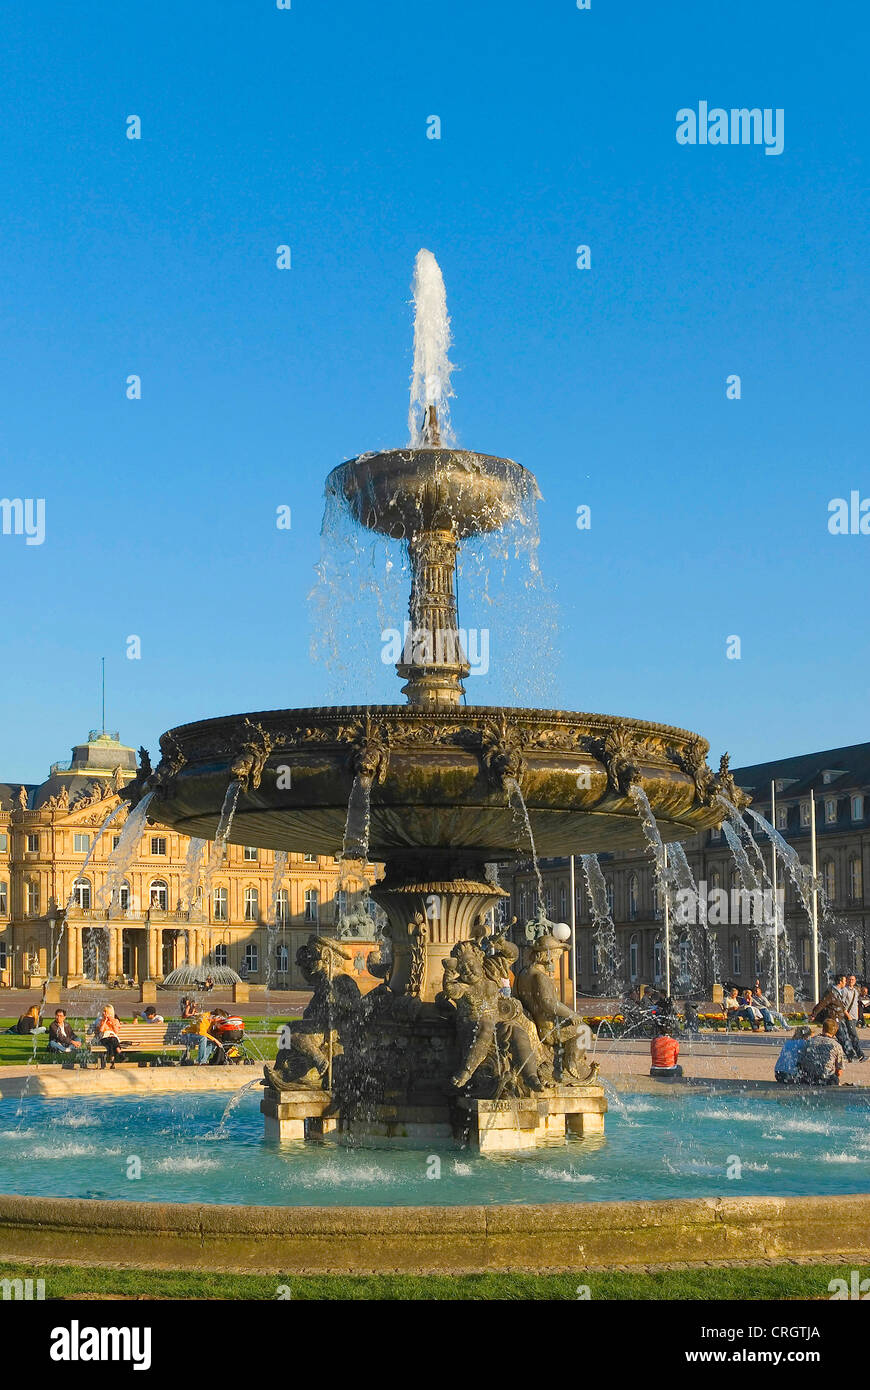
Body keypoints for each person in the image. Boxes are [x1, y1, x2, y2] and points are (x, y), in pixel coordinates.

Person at [797, 1019, 846, 1086]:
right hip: (827, 1078)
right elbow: (839, 1071)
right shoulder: (836, 1045)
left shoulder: (810, 1041)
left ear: (823, 1029)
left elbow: (800, 1061)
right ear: (835, 1031)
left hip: (808, 1078)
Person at [838, 974, 866, 1062]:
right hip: (848, 1017)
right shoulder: (845, 990)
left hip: (854, 1017)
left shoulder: (855, 990)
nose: (851, 981)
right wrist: (848, 1016)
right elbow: (841, 1005)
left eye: (853, 979)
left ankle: (850, 1055)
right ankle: (860, 1054)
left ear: (855, 981)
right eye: (849, 979)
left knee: (848, 1036)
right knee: (854, 1036)